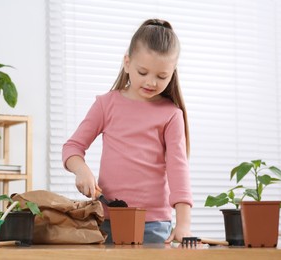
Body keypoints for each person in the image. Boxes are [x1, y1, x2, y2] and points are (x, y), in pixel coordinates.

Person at [62, 18, 193, 243]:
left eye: (162, 76)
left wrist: (184, 224)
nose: (151, 82)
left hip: (154, 224)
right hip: (108, 220)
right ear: (127, 62)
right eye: (143, 72)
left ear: (172, 72)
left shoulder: (171, 114)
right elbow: (73, 147)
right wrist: (81, 170)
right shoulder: (106, 104)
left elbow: (178, 169)